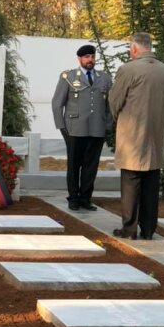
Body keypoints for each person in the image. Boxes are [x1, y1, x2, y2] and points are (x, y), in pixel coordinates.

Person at [109, 32, 164, 240]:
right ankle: (148, 230)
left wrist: (121, 121)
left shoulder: (128, 69)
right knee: (151, 185)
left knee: (130, 183)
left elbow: (115, 102)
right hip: (156, 136)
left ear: (134, 49)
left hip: (132, 136)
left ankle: (129, 229)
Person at [52, 44, 112, 211]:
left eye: (92, 57)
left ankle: (85, 198)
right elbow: (57, 103)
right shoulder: (68, 76)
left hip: (96, 129)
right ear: (79, 59)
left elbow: (111, 104)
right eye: (86, 57)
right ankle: (73, 198)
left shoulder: (104, 78)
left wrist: (107, 123)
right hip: (74, 128)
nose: (90, 60)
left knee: (91, 166)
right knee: (74, 165)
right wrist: (61, 126)